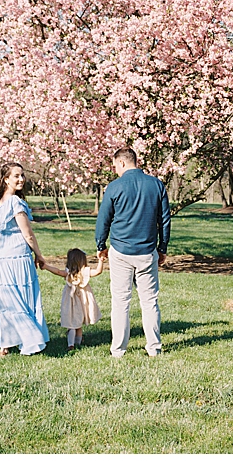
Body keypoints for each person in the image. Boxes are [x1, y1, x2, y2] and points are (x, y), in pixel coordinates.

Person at [95, 147, 171, 358]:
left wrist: (100, 245)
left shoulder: (114, 187)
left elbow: (104, 219)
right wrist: (162, 248)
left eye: (115, 166)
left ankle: (118, 349)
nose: (115, 170)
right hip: (147, 251)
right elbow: (164, 220)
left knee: (121, 301)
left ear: (121, 163)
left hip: (120, 251)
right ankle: (154, 348)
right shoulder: (156, 184)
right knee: (149, 301)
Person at [0, 162, 49, 356]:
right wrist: (39, 255)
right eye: (16, 176)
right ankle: (16, 341)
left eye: (22, 175)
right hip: (15, 256)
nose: (21, 179)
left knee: (1, 298)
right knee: (18, 298)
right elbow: (28, 234)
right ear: (6, 179)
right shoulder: (15, 203)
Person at [41, 249, 104, 350]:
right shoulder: (85, 272)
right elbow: (98, 271)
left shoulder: (68, 273)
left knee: (72, 324)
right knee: (78, 325)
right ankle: (78, 343)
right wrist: (101, 261)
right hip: (83, 302)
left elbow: (57, 271)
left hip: (71, 303)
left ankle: (71, 344)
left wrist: (46, 266)